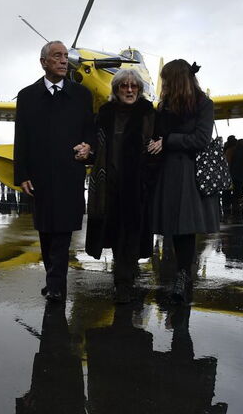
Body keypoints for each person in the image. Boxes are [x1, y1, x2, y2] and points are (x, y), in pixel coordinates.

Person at [13, 40, 95, 302]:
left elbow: (90, 131)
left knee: (63, 230)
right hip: (40, 176)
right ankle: (53, 278)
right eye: (57, 56)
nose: (63, 60)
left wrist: (89, 147)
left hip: (69, 172)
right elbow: (21, 137)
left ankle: (57, 285)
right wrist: (22, 173)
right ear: (43, 62)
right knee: (45, 229)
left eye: (65, 57)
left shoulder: (82, 95)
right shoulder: (26, 96)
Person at [148, 59, 220, 302]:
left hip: (189, 172)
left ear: (176, 79)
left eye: (167, 78)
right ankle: (180, 273)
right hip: (167, 171)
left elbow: (201, 138)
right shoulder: (164, 105)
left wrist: (167, 141)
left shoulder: (203, 103)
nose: (164, 83)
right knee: (174, 226)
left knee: (185, 227)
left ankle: (183, 274)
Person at [85, 68, 159, 303]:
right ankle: (122, 281)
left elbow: (161, 137)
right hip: (110, 184)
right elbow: (94, 144)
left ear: (139, 89)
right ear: (116, 90)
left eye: (133, 86)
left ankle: (125, 280)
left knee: (133, 234)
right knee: (116, 234)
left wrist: (163, 142)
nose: (129, 90)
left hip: (138, 184)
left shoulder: (149, 113)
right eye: (123, 86)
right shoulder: (104, 113)